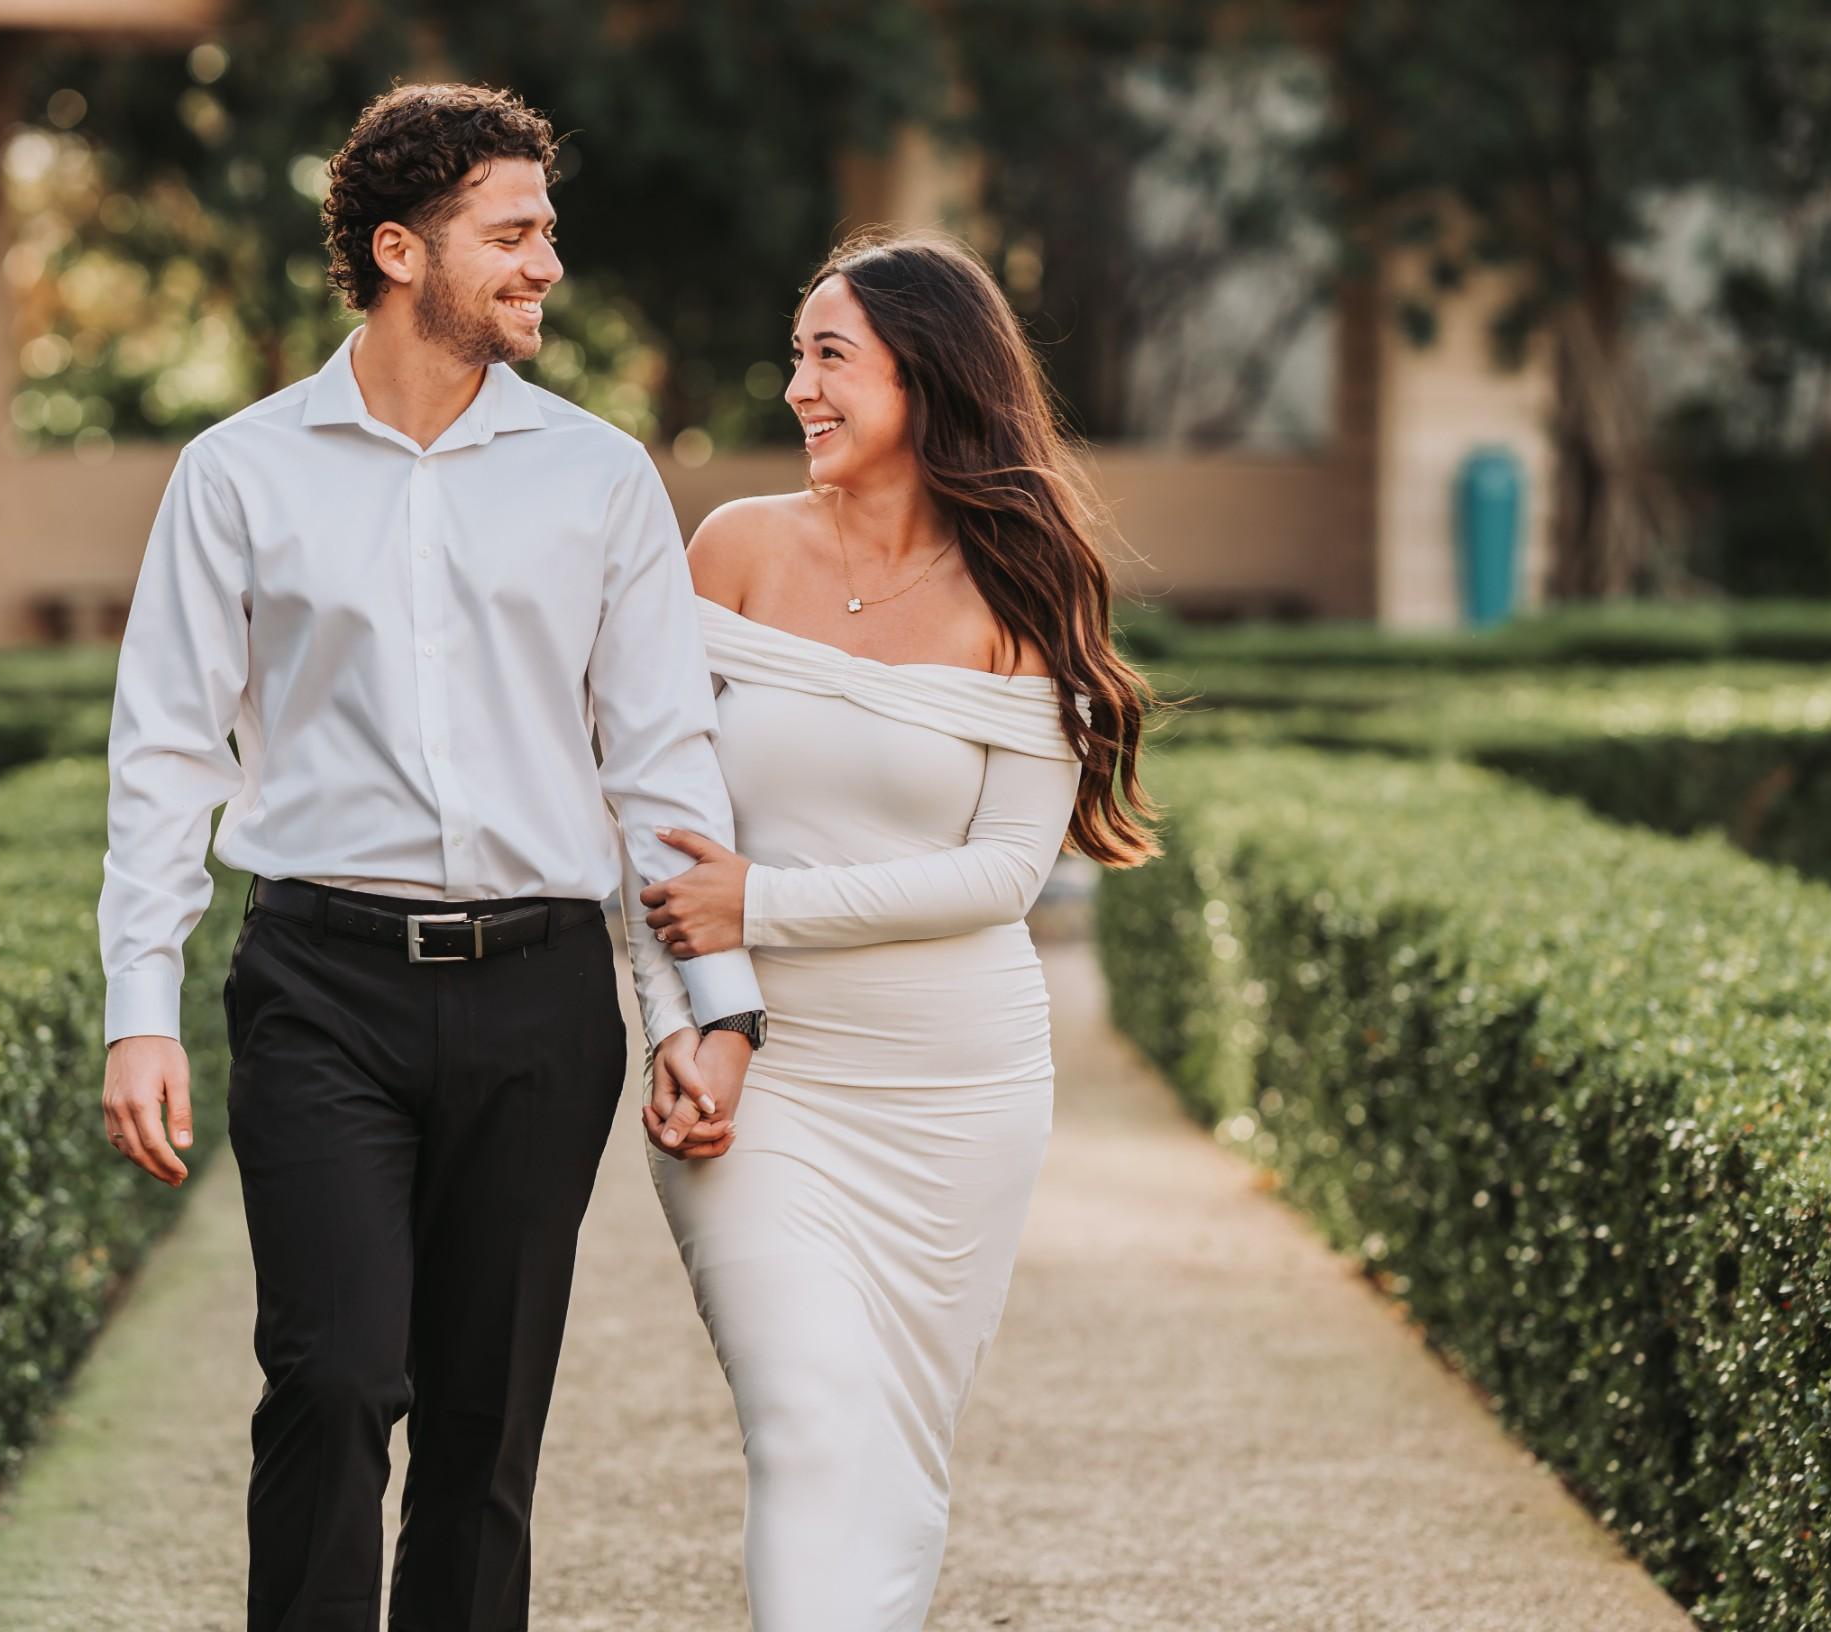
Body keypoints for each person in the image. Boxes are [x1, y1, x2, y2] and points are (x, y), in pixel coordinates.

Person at [94, 82, 765, 1632]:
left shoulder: (601, 481)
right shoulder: (239, 474)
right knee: (330, 1386)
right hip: (320, 986)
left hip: (539, 1004)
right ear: (401, 250)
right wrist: (141, 1004)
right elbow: (166, 757)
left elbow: (659, 765)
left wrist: (701, 1013)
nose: (546, 265)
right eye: (512, 234)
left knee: (484, 1431)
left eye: (546, 233)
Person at [637, 232, 1161, 1632]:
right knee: (807, 1421)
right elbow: (649, 825)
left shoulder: (1028, 587)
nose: (799, 384)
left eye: (832, 356)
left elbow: (1002, 873)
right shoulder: (731, 554)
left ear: (927, 377)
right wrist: (684, 1024)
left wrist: (767, 900)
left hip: (959, 1091)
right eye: (798, 353)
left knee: (895, 1450)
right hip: (765, 1077)